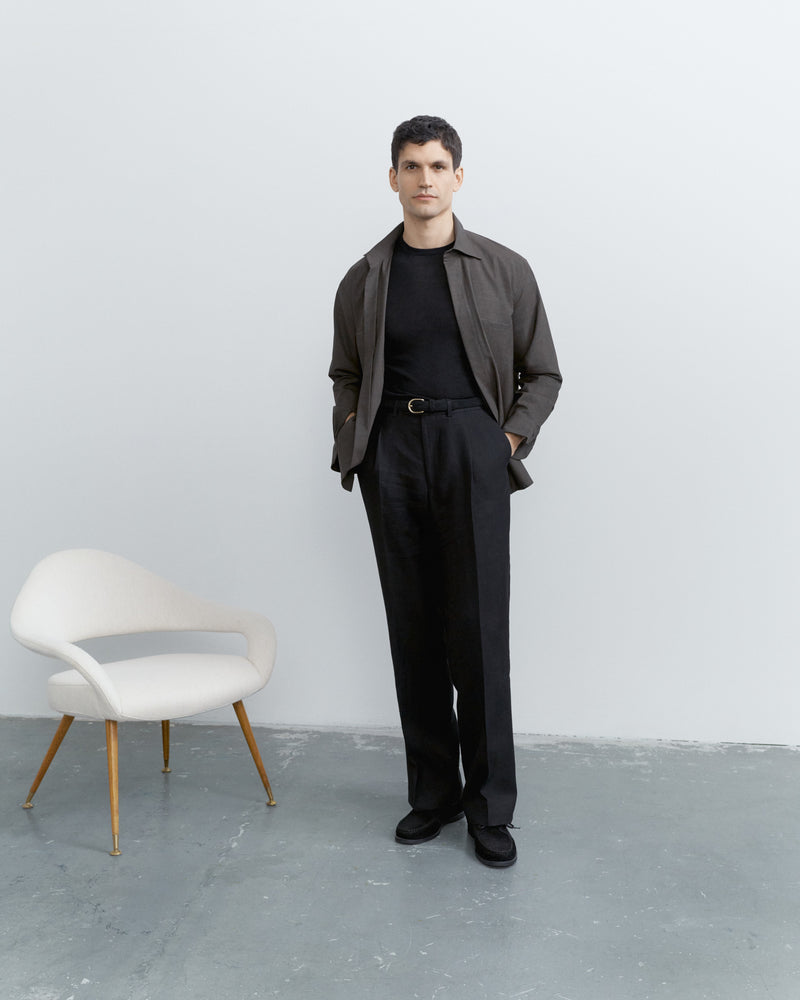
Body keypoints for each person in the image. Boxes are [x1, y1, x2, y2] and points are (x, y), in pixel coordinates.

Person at [329, 115, 561, 868]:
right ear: (392, 178)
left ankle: (490, 808)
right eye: (411, 166)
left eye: (437, 166)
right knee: (414, 628)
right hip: (392, 451)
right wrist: (358, 441)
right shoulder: (366, 277)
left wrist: (505, 442)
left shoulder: (503, 269)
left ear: (458, 176)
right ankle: (432, 794)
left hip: (471, 445)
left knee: (478, 630)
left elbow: (542, 372)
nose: (424, 179)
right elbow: (345, 375)